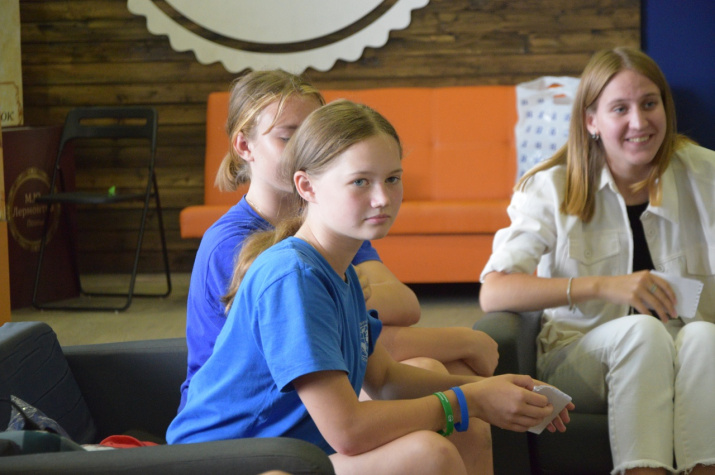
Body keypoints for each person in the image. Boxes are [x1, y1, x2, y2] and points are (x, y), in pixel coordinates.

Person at [168, 99, 573, 474]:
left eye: (392, 178)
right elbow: (349, 431)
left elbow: (384, 379)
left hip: (286, 452)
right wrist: (472, 400)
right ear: (307, 187)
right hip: (223, 462)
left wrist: (493, 390)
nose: (383, 198)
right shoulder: (294, 276)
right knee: (429, 455)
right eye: (360, 182)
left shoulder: (339, 270)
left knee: (455, 429)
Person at [180, 70, 497, 410]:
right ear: (244, 146)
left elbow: (405, 306)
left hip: (314, 380)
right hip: (256, 406)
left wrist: (343, 293)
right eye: (288, 137)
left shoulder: (334, 219)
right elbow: (334, 340)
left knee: (446, 373)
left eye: (315, 135)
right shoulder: (233, 243)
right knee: (437, 377)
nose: (307, 149)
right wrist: (462, 339)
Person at [479, 46, 715, 475]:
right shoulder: (551, 186)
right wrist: (606, 286)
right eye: (620, 108)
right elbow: (494, 292)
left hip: (687, 347)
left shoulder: (706, 174)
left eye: (649, 104)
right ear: (592, 121)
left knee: (704, 337)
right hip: (580, 356)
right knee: (643, 333)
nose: (639, 122)